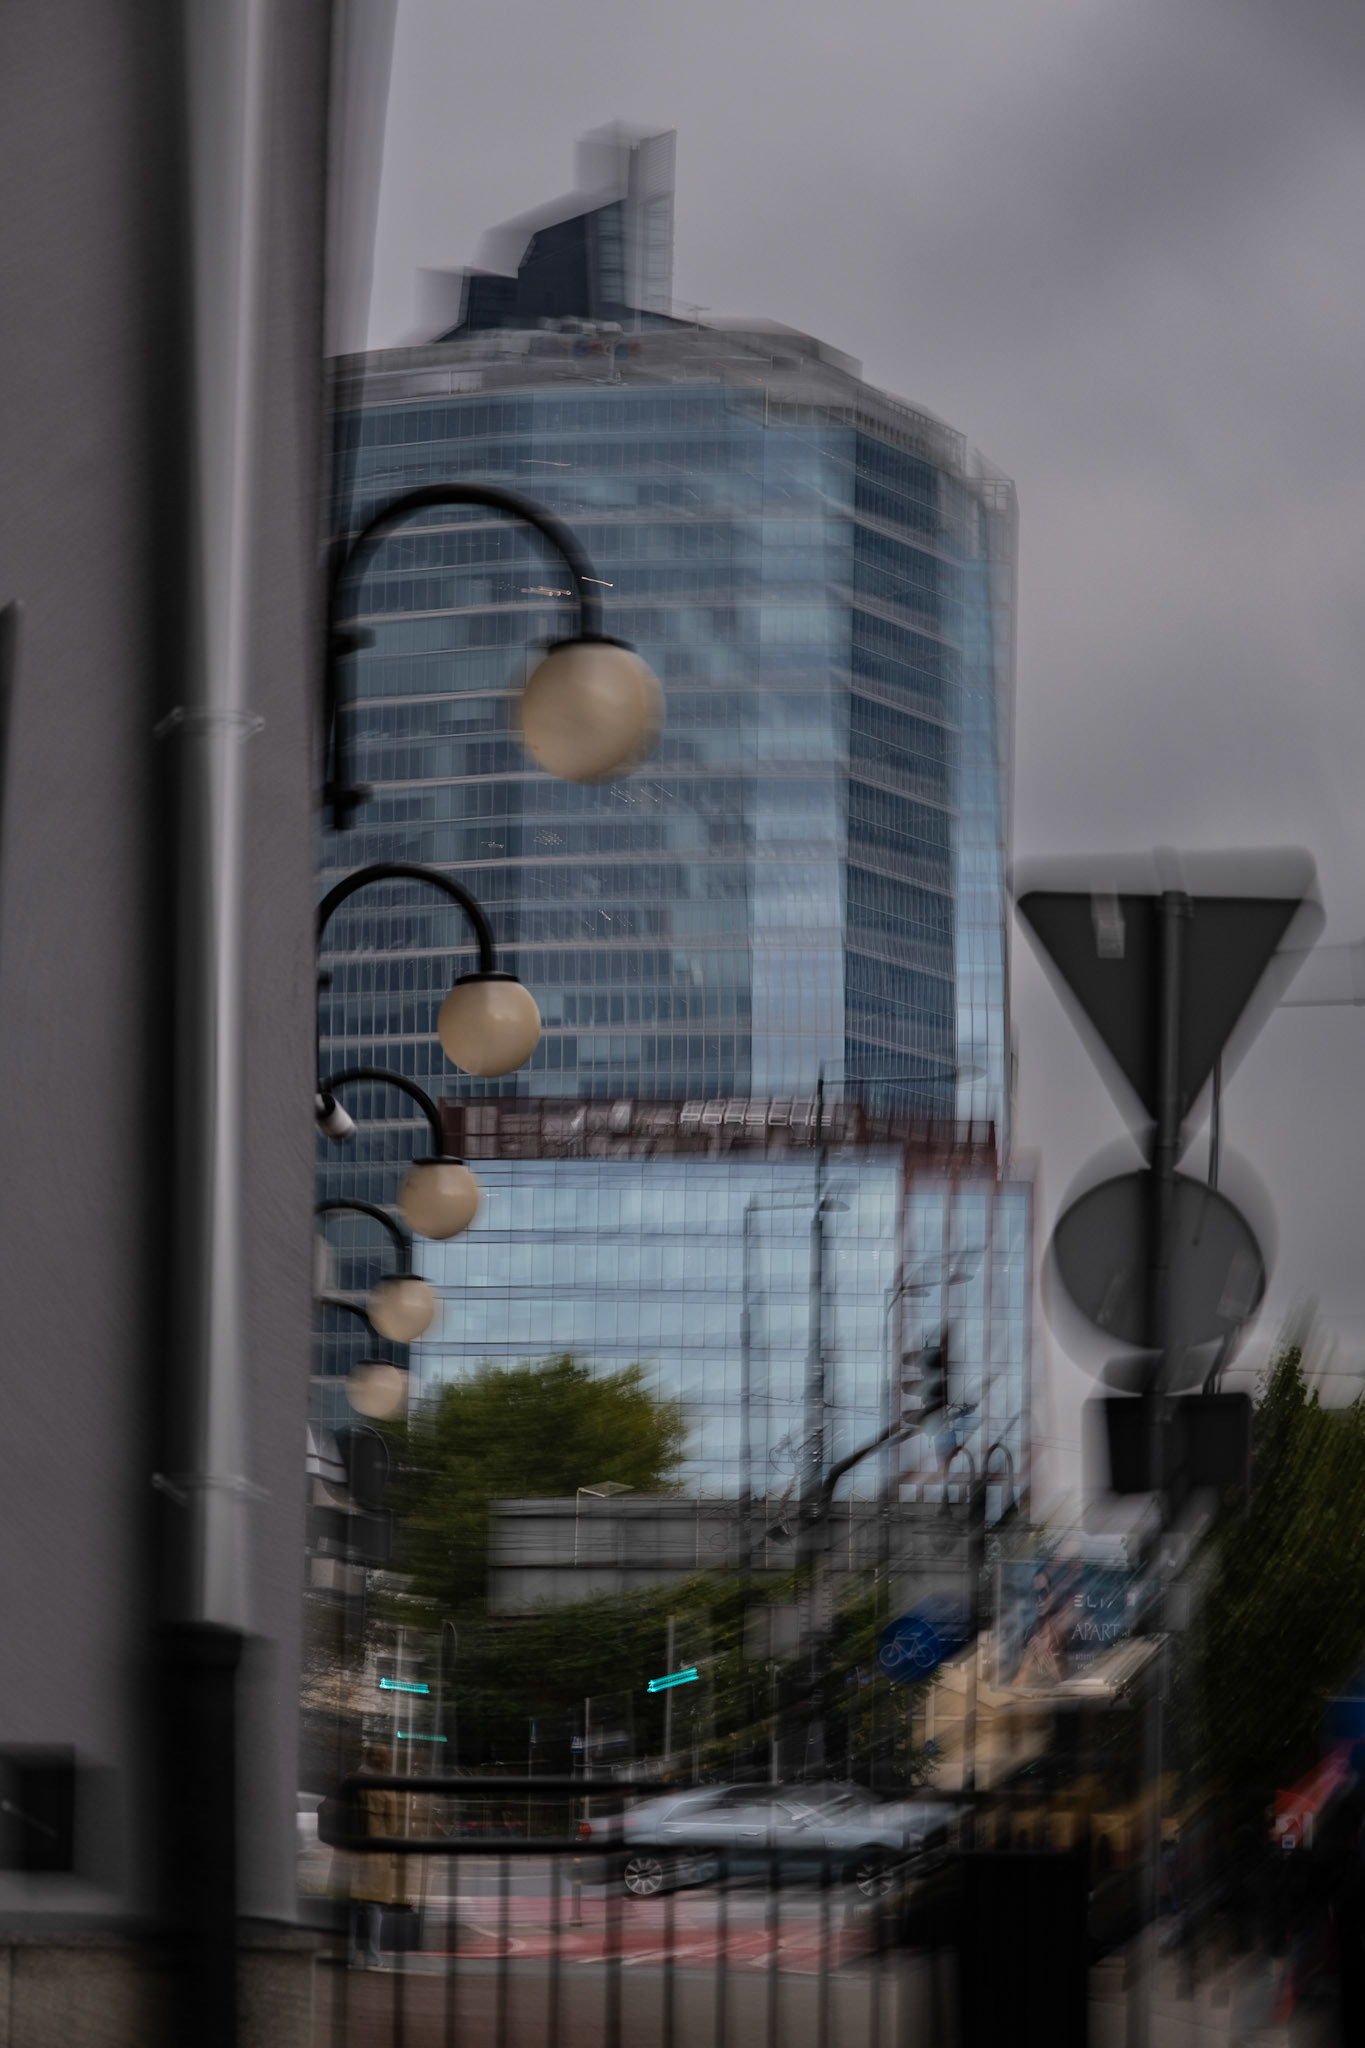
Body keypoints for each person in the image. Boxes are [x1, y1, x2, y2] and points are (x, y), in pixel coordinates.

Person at [348, 1744, 408, 1971]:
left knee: (352, 1906)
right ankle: (373, 1956)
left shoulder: (351, 1782)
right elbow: (392, 1825)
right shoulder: (385, 1787)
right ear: (384, 1761)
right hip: (377, 1854)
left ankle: (350, 1953)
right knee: (373, 1908)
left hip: (352, 1851)